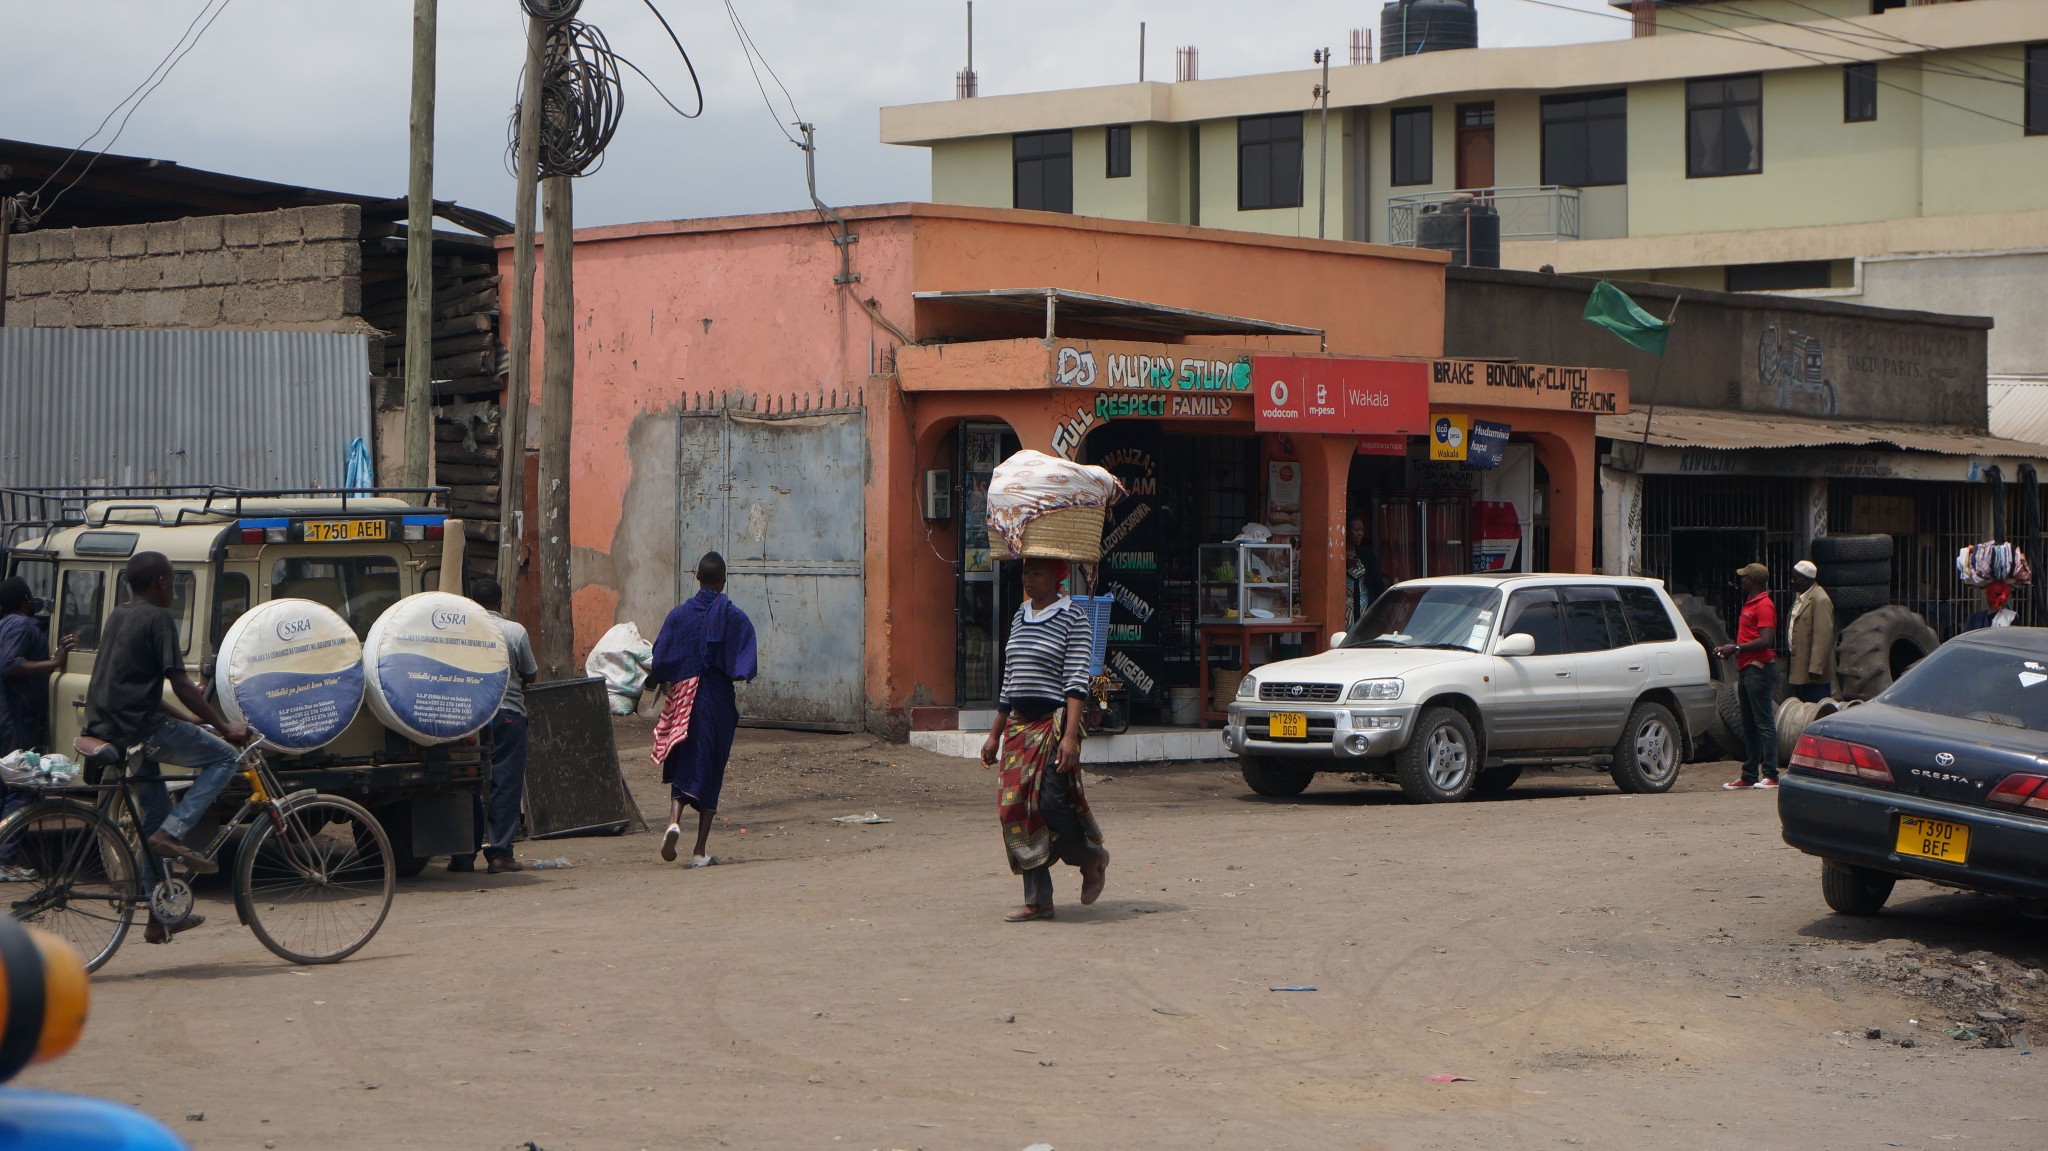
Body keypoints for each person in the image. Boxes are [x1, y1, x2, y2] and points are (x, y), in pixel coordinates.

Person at [83, 552, 250, 943]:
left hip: (112, 728)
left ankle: (160, 916)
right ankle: (174, 834)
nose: (173, 588)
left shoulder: (119, 615)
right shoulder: (159, 619)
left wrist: (192, 720)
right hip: (142, 730)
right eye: (173, 580)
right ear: (160, 581)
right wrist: (224, 726)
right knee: (225, 757)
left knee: (154, 817)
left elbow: (136, 685)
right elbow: (180, 682)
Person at [978, 556, 1109, 922]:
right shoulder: (1021, 614)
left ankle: (1090, 858)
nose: (1028, 579)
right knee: (1014, 811)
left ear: (1057, 576)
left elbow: (1076, 681)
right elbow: (1010, 680)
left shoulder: (1073, 617)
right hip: (1019, 727)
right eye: (1025, 572)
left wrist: (1069, 737)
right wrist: (994, 735)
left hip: (1052, 727)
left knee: (1050, 806)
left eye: (1035, 572)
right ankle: (1038, 901)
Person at [648, 552, 758, 868]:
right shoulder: (734, 616)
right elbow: (744, 665)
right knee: (712, 765)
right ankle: (699, 850)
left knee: (684, 758)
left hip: (684, 698)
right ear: (723, 580)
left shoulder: (678, 616)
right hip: (717, 700)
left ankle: (673, 820)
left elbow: (660, 660)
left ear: (697, 577)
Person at [450, 580, 539, 875]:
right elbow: (531, 674)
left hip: (469, 717)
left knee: (468, 782)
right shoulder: (515, 631)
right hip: (509, 714)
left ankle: (463, 855)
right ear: (500, 603)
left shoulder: (460, 631)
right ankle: (500, 854)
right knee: (506, 782)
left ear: (473, 602)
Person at [0, 578, 74, 881]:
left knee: (7, 787)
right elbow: (9, 664)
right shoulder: (24, 626)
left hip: (10, 716)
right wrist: (53, 662)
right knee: (22, 787)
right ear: (27, 599)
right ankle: (6, 859)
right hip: (14, 719)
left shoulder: (6, 623)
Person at [1714, 563, 1780, 791]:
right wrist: (1732, 649)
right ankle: (1749, 775)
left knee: (1764, 724)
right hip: (1747, 669)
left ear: (1752, 581)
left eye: (1744, 577)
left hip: (1758, 669)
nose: (1741, 580)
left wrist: (1737, 648)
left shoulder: (1764, 605)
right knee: (1749, 725)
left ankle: (1771, 775)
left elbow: (1766, 640)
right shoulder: (1750, 604)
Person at [1785, 560, 1836, 704]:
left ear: (1807, 580)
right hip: (1800, 670)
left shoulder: (1820, 599)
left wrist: (1815, 668)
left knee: (1814, 712)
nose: (1792, 581)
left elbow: (1823, 636)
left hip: (1813, 677)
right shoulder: (1801, 597)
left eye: (1796, 578)